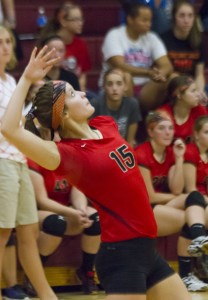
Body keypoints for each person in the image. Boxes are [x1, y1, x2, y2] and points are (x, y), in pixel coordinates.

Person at [0, 45, 195, 300]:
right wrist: (26, 78)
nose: (83, 93)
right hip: (122, 257)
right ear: (64, 112)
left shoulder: (106, 124)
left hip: (148, 250)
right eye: (72, 94)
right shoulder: (68, 154)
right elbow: (9, 129)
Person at [0, 25, 59, 300]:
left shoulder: (11, 82)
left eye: (8, 41)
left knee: (28, 232)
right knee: (1, 234)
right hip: (1, 163)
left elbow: (19, 127)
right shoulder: (15, 82)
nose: (5, 47)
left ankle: (47, 295)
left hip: (20, 161)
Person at [134, 110, 208, 291]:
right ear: (150, 131)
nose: (168, 132)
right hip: (141, 210)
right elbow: (150, 196)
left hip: (162, 206)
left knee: (193, 205)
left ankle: (197, 244)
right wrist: (177, 197)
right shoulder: (141, 154)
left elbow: (177, 188)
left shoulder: (171, 152)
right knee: (192, 209)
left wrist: (178, 159)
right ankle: (196, 246)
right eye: (162, 128)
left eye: (170, 128)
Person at [27, 157, 100, 295]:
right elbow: (42, 201)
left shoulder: (70, 159)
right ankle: (34, 275)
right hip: (37, 211)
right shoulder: (35, 160)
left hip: (66, 210)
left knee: (94, 218)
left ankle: (87, 271)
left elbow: (77, 191)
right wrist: (72, 212)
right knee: (56, 223)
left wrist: (81, 210)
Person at [100, 2, 173, 112]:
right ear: (130, 19)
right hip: (116, 88)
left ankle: (157, 117)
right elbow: (120, 66)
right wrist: (148, 73)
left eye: (150, 20)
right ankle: (127, 119)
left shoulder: (152, 37)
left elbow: (167, 65)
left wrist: (160, 74)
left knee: (171, 77)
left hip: (145, 89)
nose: (148, 24)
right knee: (126, 76)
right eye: (144, 20)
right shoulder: (115, 35)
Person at [160, 0, 208, 107]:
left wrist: (199, 92)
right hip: (171, 88)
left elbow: (199, 74)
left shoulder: (198, 40)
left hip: (193, 87)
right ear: (174, 17)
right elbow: (166, 75)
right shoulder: (164, 40)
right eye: (182, 16)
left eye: (190, 16)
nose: (186, 20)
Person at [38, 1, 92, 96]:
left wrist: (80, 94)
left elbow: (83, 75)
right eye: (75, 19)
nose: (80, 23)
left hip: (73, 89)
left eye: (81, 19)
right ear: (63, 21)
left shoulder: (81, 44)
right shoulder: (48, 42)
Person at [184, 115, 208, 286]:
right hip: (188, 201)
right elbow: (189, 189)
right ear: (196, 135)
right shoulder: (190, 151)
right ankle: (199, 242)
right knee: (194, 196)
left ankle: (205, 269)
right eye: (207, 132)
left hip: (203, 202)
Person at [90, 68, 142, 147]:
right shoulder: (95, 104)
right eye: (110, 84)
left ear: (125, 87)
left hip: (122, 148)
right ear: (104, 87)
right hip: (101, 148)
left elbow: (130, 141)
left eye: (119, 84)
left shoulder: (132, 104)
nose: (114, 88)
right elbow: (91, 138)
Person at [159, 75, 208, 144]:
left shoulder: (200, 110)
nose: (198, 95)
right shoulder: (162, 114)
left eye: (197, 90)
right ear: (179, 95)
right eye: (193, 91)